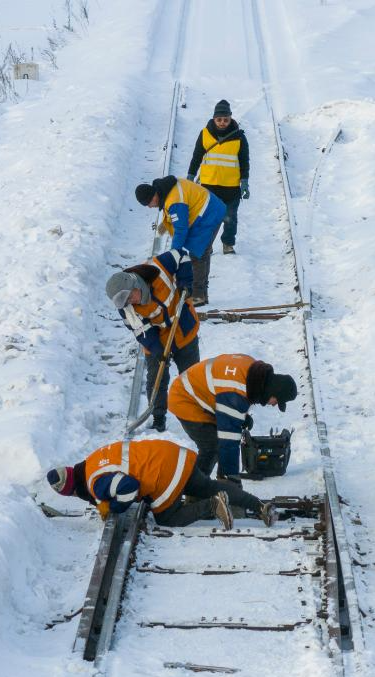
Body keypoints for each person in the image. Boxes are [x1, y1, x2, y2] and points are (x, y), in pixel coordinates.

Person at [46, 438, 277, 529]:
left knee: (166, 518)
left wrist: (114, 507)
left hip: (163, 474)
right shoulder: (94, 460)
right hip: (175, 456)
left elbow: (129, 487)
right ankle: (260, 506)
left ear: (75, 490)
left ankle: (212, 506)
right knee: (207, 486)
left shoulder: (95, 483)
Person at [105, 249, 200, 432]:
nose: (130, 303)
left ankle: (197, 411)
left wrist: (185, 283)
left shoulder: (158, 268)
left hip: (183, 326)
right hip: (156, 336)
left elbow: (182, 254)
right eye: (125, 302)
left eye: (130, 297)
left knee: (191, 375)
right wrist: (158, 351)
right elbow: (141, 331)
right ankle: (158, 417)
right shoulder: (126, 308)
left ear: (135, 284)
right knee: (156, 377)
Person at [168, 354, 297, 481]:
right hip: (185, 398)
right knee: (212, 446)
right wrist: (232, 480)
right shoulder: (235, 392)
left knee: (218, 446)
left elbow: (233, 393)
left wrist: (242, 415)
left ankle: (219, 487)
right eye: (277, 401)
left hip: (201, 395)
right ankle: (195, 492)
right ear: (272, 391)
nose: (274, 405)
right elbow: (228, 441)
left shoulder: (254, 372)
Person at [134, 175, 226, 306]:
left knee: (197, 254)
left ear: (153, 196)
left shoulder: (174, 201)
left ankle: (198, 295)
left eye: (148, 203)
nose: (149, 207)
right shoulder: (165, 189)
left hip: (209, 215)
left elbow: (181, 230)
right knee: (200, 253)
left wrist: (174, 254)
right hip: (206, 210)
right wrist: (166, 224)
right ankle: (201, 293)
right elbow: (175, 212)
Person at [187, 99, 250, 256]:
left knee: (230, 218)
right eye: (219, 119)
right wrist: (190, 176)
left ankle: (228, 244)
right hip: (209, 185)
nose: (222, 123)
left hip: (231, 187)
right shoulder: (205, 134)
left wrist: (245, 181)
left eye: (226, 119)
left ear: (230, 118)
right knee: (207, 218)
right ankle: (207, 245)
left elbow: (244, 161)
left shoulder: (239, 137)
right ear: (214, 118)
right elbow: (196, 156)